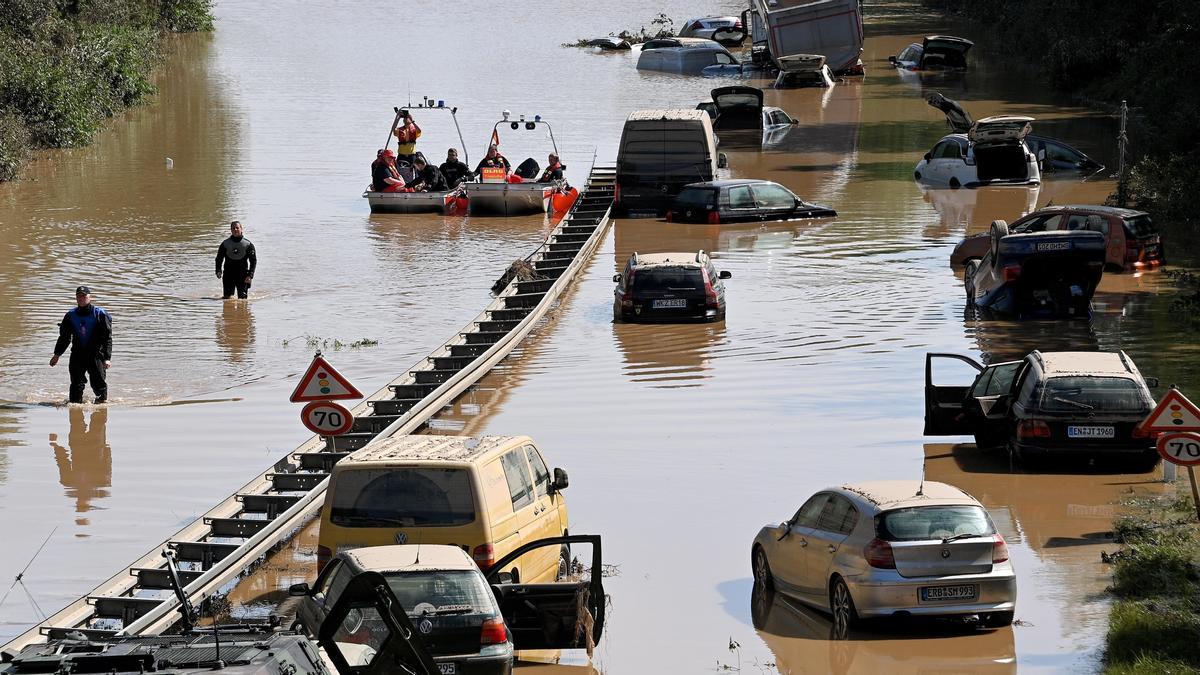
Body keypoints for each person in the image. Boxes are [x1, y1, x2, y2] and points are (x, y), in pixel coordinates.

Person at [50, 286, 112, 404]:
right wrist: (57, 355)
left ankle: (102, 403)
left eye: (84, 296)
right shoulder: (70, 315)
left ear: (90, 297)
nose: (81, 298)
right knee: (76, 384)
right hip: (77, 355)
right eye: (79, 296)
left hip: (96, 354)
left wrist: (107, 358)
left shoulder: (100, 314)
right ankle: (75, 410)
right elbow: (65, 338)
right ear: (76, 298)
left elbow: (107, 338)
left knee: (98, 384)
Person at [215, 221, 257, 299]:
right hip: (228, 275)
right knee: (227, 298)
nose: (235, 229)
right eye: (233, 228)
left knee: (243, 299)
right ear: (231, 230)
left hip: (243, 275)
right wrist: (218, 270)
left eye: (237, 228)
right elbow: (219, 259)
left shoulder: (248, 245)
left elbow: (253, 261)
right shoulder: (225, 244)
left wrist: (250, 275)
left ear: (241, 229)